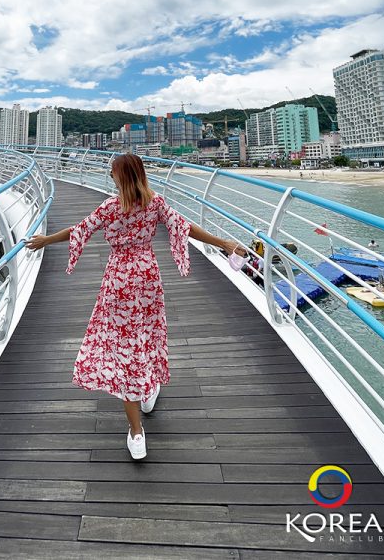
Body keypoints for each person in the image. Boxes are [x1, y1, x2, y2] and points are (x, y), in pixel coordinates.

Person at [26, 154, 246, 461]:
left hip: (118, 281)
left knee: (125, 347)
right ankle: (148, 390)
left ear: (119, 177)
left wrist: (45, 240)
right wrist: (224, 243)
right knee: (146, 336)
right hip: (147, 280)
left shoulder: (109, 208)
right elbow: (185, 228)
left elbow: (80, 230)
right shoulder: (155, 203)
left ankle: (136, 432)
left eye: (113, 173)